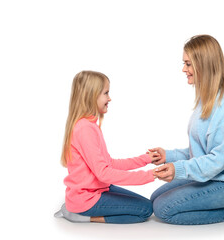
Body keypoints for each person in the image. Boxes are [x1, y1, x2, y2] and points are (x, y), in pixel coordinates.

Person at [149, 35, 224, 225]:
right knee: (155, 199)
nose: (183, 69)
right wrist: (168, 156)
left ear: (203, 64)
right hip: (215, 175)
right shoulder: (207, 100)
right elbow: (202, 152)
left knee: (164, 209)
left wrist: (178, 169)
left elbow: (218, 160)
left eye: (188, 64)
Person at [54, 71, 161, 224]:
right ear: (91, 95)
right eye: (106, 93)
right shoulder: (84, 129)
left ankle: (74, 208)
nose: (109, 98)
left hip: (99, 190)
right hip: (87, 199)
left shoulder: (89, 125)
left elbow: (109, 164)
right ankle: (81, 216)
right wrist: (150, 175)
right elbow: (104, 173)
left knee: (146, 205)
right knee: (145, 210)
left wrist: (145, 159)